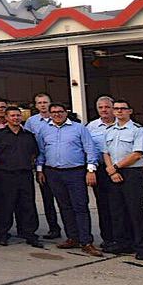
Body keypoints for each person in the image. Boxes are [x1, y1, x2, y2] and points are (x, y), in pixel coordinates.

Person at [35, 102, 102, 257]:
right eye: (54, 112)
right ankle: (72, 237)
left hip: (75, 173)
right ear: (50, 114)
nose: (57, 114)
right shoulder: (44, 130)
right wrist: (40, 170)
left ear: (66, 112)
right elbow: (41, 152)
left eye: (60, 111)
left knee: (80, 206)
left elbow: (90, 149)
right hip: (53, 173)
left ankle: (86, 241)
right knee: (64, 206)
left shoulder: (79, 128)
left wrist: (91, 170)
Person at [103, 100, 143, 260]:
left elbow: (137, 154)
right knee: (117, 210)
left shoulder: (138, 130)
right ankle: (122, 243)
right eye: (116, 109)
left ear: (130, 111)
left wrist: (115, 167)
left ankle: (141, 246)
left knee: (135, 211)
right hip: (114, 173)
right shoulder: (110, 130)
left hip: (132, 173)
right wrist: (111, 171)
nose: (119, 111)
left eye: (123, 109)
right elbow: (106, 152)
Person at [0, 107, 44, 248]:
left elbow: (33, 154)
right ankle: (2, 233)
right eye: (12, 115)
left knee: (27, 205)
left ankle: (29, 233)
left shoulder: (28, 136)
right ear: (6, 118)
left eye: (18, 115)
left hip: (24, 175)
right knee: (5, 205)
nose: (16, 118)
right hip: (5, 175)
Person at [24, 92, 62, 239]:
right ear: (36, 105)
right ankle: (54, 228)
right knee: (47, 199)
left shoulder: (59, 119)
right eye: (39, 103)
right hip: (42, 165)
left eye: (45, 102)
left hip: (59, 164)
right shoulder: (31, 122)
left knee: (64, 199)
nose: (42, 105)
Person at [85, 96, 120, 252]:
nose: (104, 110)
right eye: (101, 107)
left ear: (113, 108)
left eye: (107, 107)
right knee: (103, 205)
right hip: (100, 170)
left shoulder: (122, 125)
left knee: (119, 205)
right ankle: (108, 238)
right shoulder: (91, 127)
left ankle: (122, 237)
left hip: (119, 169)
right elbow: (87, 148)